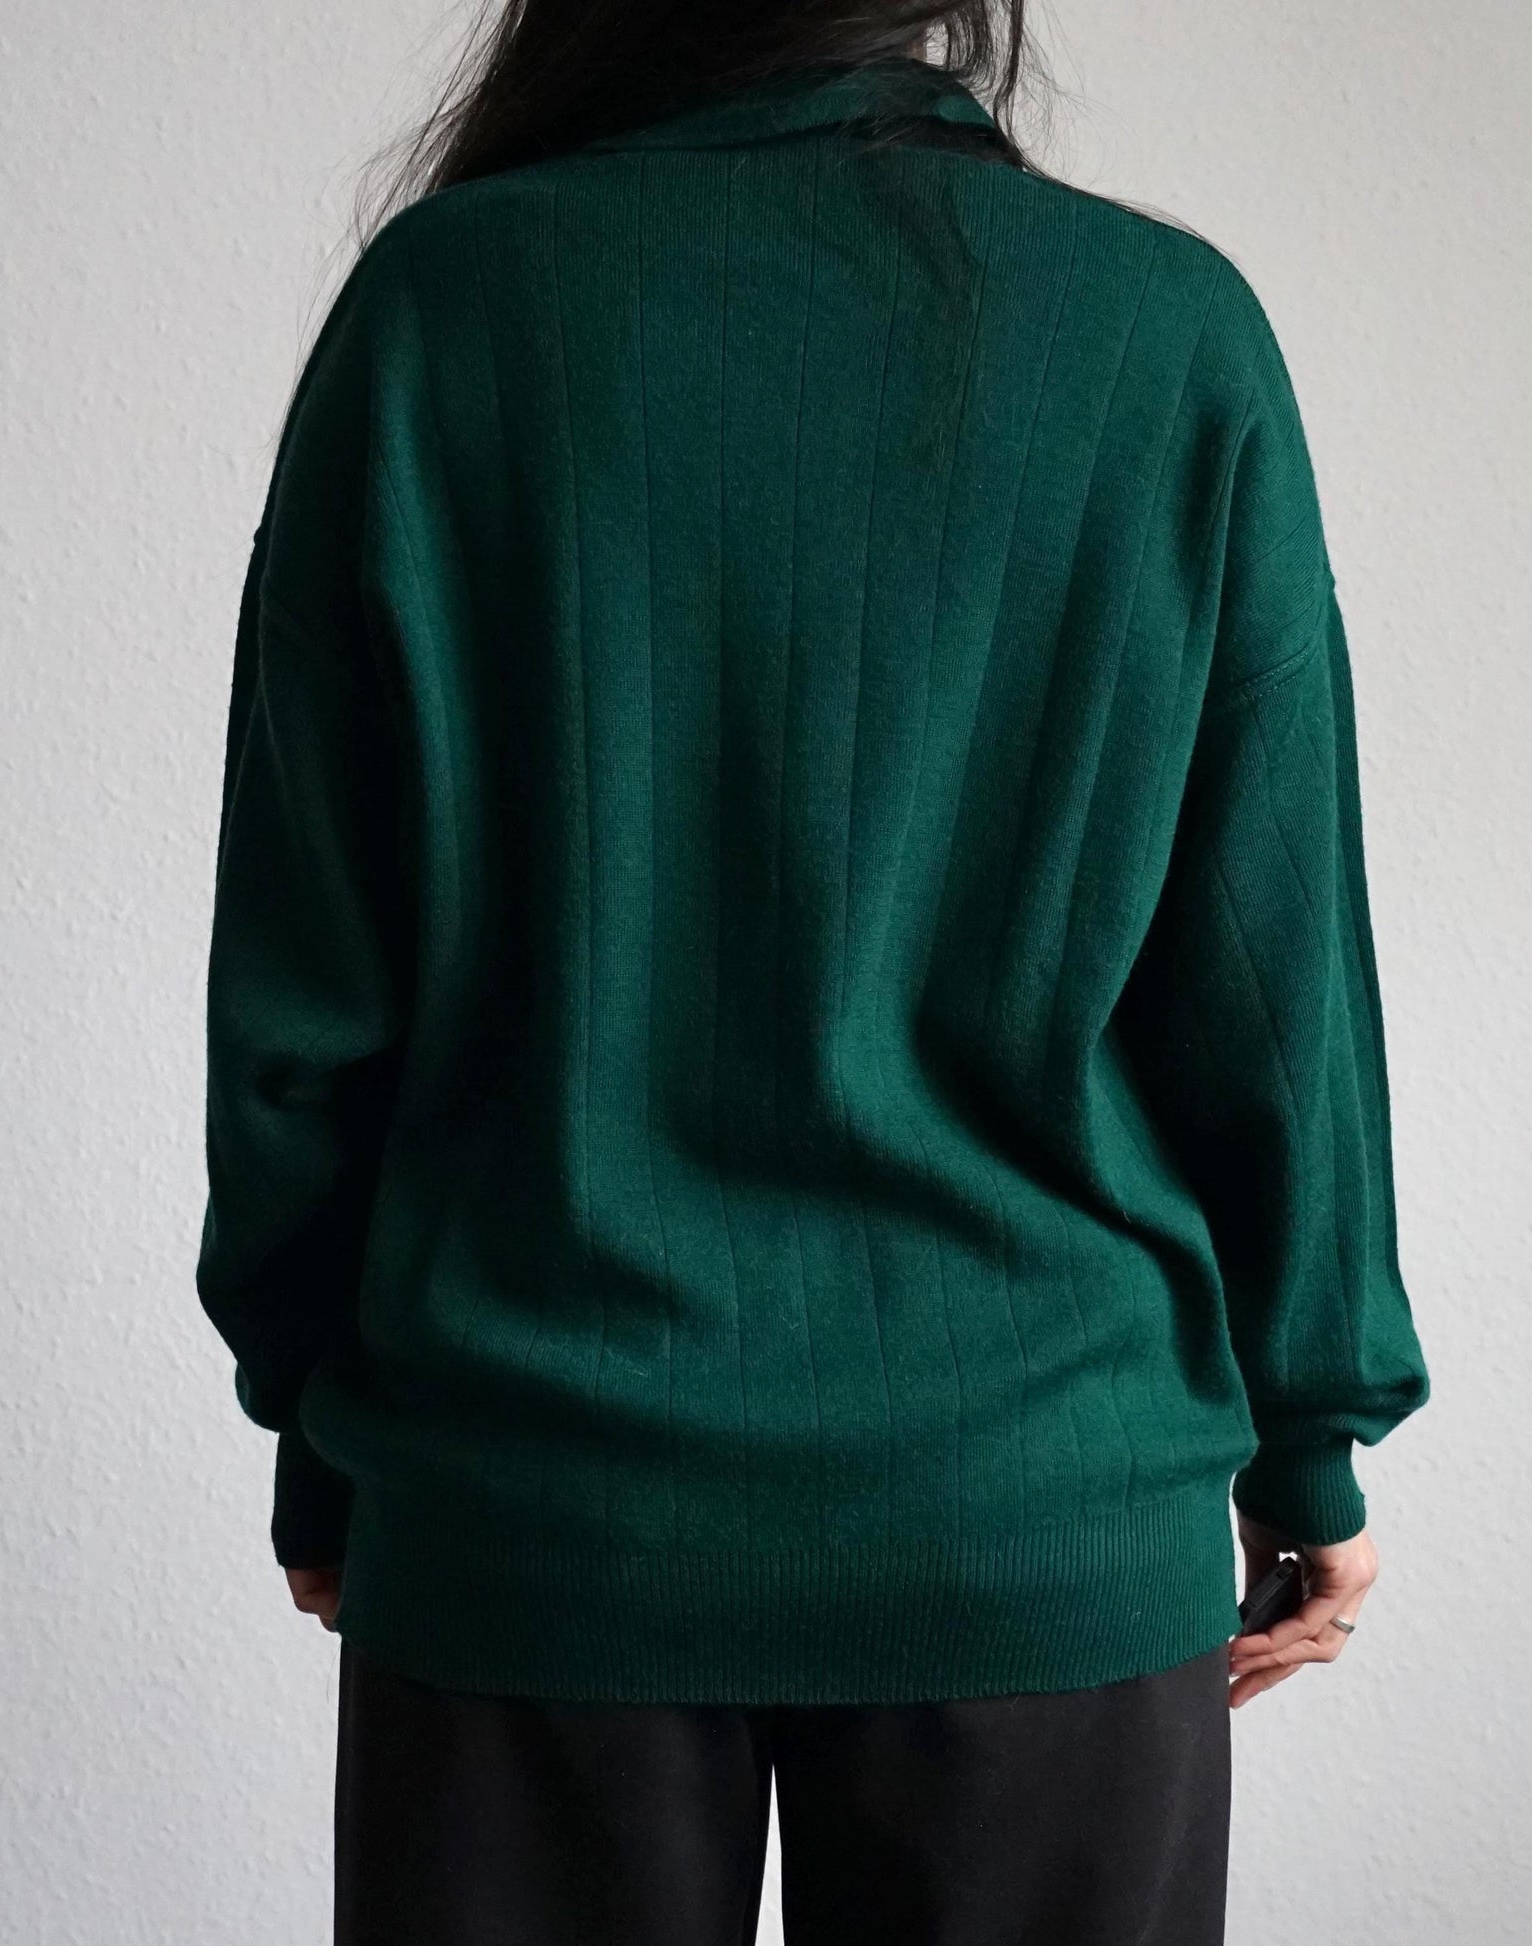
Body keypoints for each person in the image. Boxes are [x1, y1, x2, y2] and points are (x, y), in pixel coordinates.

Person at [195, 4, 1432, 1939]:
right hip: (1039, 1499)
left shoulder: (444, 310)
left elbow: (302, 981)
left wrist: (319, 1418)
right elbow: (1274, 982)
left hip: (532, 1492)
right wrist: (1310, 1439)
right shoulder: (1165, 332)